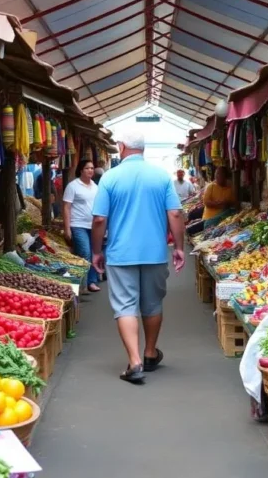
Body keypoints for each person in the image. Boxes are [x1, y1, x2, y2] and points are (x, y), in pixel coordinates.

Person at [92, 129, 185, 385]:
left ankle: (135, 363)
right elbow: (175, 214)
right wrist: (179, 247)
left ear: (121, 147)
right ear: (143, 149)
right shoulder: (160, 177)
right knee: (153, 304)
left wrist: (96, 251)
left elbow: (99, 219)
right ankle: (151, 352)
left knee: (125, 306)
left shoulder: (110, 178)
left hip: (120, 254)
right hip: (154, 252)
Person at [63, 160, 100, 293]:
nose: (90, 170)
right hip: (78, 224)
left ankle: (92, 281)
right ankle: (82, 284)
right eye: (87, 168)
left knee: (94, 252)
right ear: (81, 170)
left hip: (94, 225)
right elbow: (66, 207)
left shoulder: (96, 187)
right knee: (85, 252)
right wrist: (67, 228)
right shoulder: (73, 186)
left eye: (92, 168)